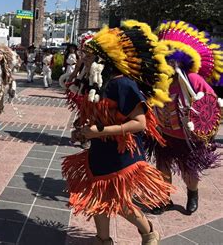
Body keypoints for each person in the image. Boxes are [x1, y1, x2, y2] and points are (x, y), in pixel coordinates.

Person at [62, 20, 176, 245]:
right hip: (99, 153)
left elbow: (140, 123)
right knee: (97, 200)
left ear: (103, 60)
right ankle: (103, 240)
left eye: (90, 56)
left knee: (121, 202)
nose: (85, 59)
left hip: (122, 155)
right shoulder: (96, 85)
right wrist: (82, 132)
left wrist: (99, 131)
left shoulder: (124, 85)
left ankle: (148, 232)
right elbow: (92, 116)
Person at [148, 21, 222, 215]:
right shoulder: (158, 81)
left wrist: (199, 120)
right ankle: (164, 199)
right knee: (162, 167)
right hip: (164, 134)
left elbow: (211, 103)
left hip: (188, 137)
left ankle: (193, 194)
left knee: (190, 172)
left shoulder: (194, 80)